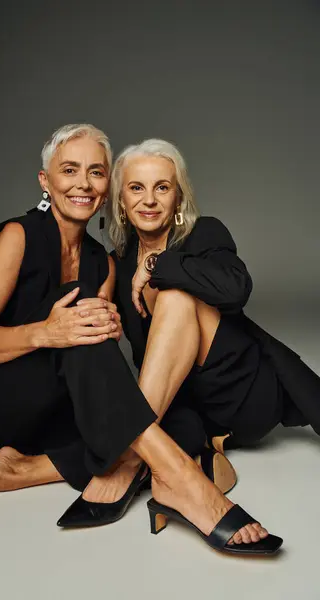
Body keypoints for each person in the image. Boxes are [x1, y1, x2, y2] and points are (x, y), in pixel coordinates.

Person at [0, 125, 281, 556]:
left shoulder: (104, 264)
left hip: (50, 418)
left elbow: (98, 372)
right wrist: (49, 332)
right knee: (84, 325)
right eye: (69, 170)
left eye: (96, 172)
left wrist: (105, 330)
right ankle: (184, 482)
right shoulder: (17, 236)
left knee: (179, 420)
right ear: (46, 181)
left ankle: (16, 470)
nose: (83, 183)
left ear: (105, 187)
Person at [107, 138, 320, 471]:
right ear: (121, 201)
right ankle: (186, 450)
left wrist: (155, 265)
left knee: (176, 295)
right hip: (186, 409)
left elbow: (236, 290)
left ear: (178, 198)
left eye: (162, 188)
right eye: (136, 188)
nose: (149, 200)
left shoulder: (205, 233)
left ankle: (132, 452)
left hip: (242, 394)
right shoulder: (117, 264)